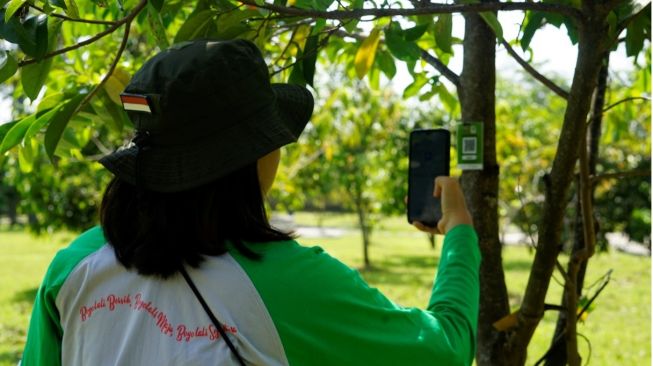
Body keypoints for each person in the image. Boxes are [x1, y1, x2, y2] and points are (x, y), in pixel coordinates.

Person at [21, 39, 480, 366]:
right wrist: (459, 230)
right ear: (249, 156)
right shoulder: (290, 285)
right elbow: (445, 350)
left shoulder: (75, 266)